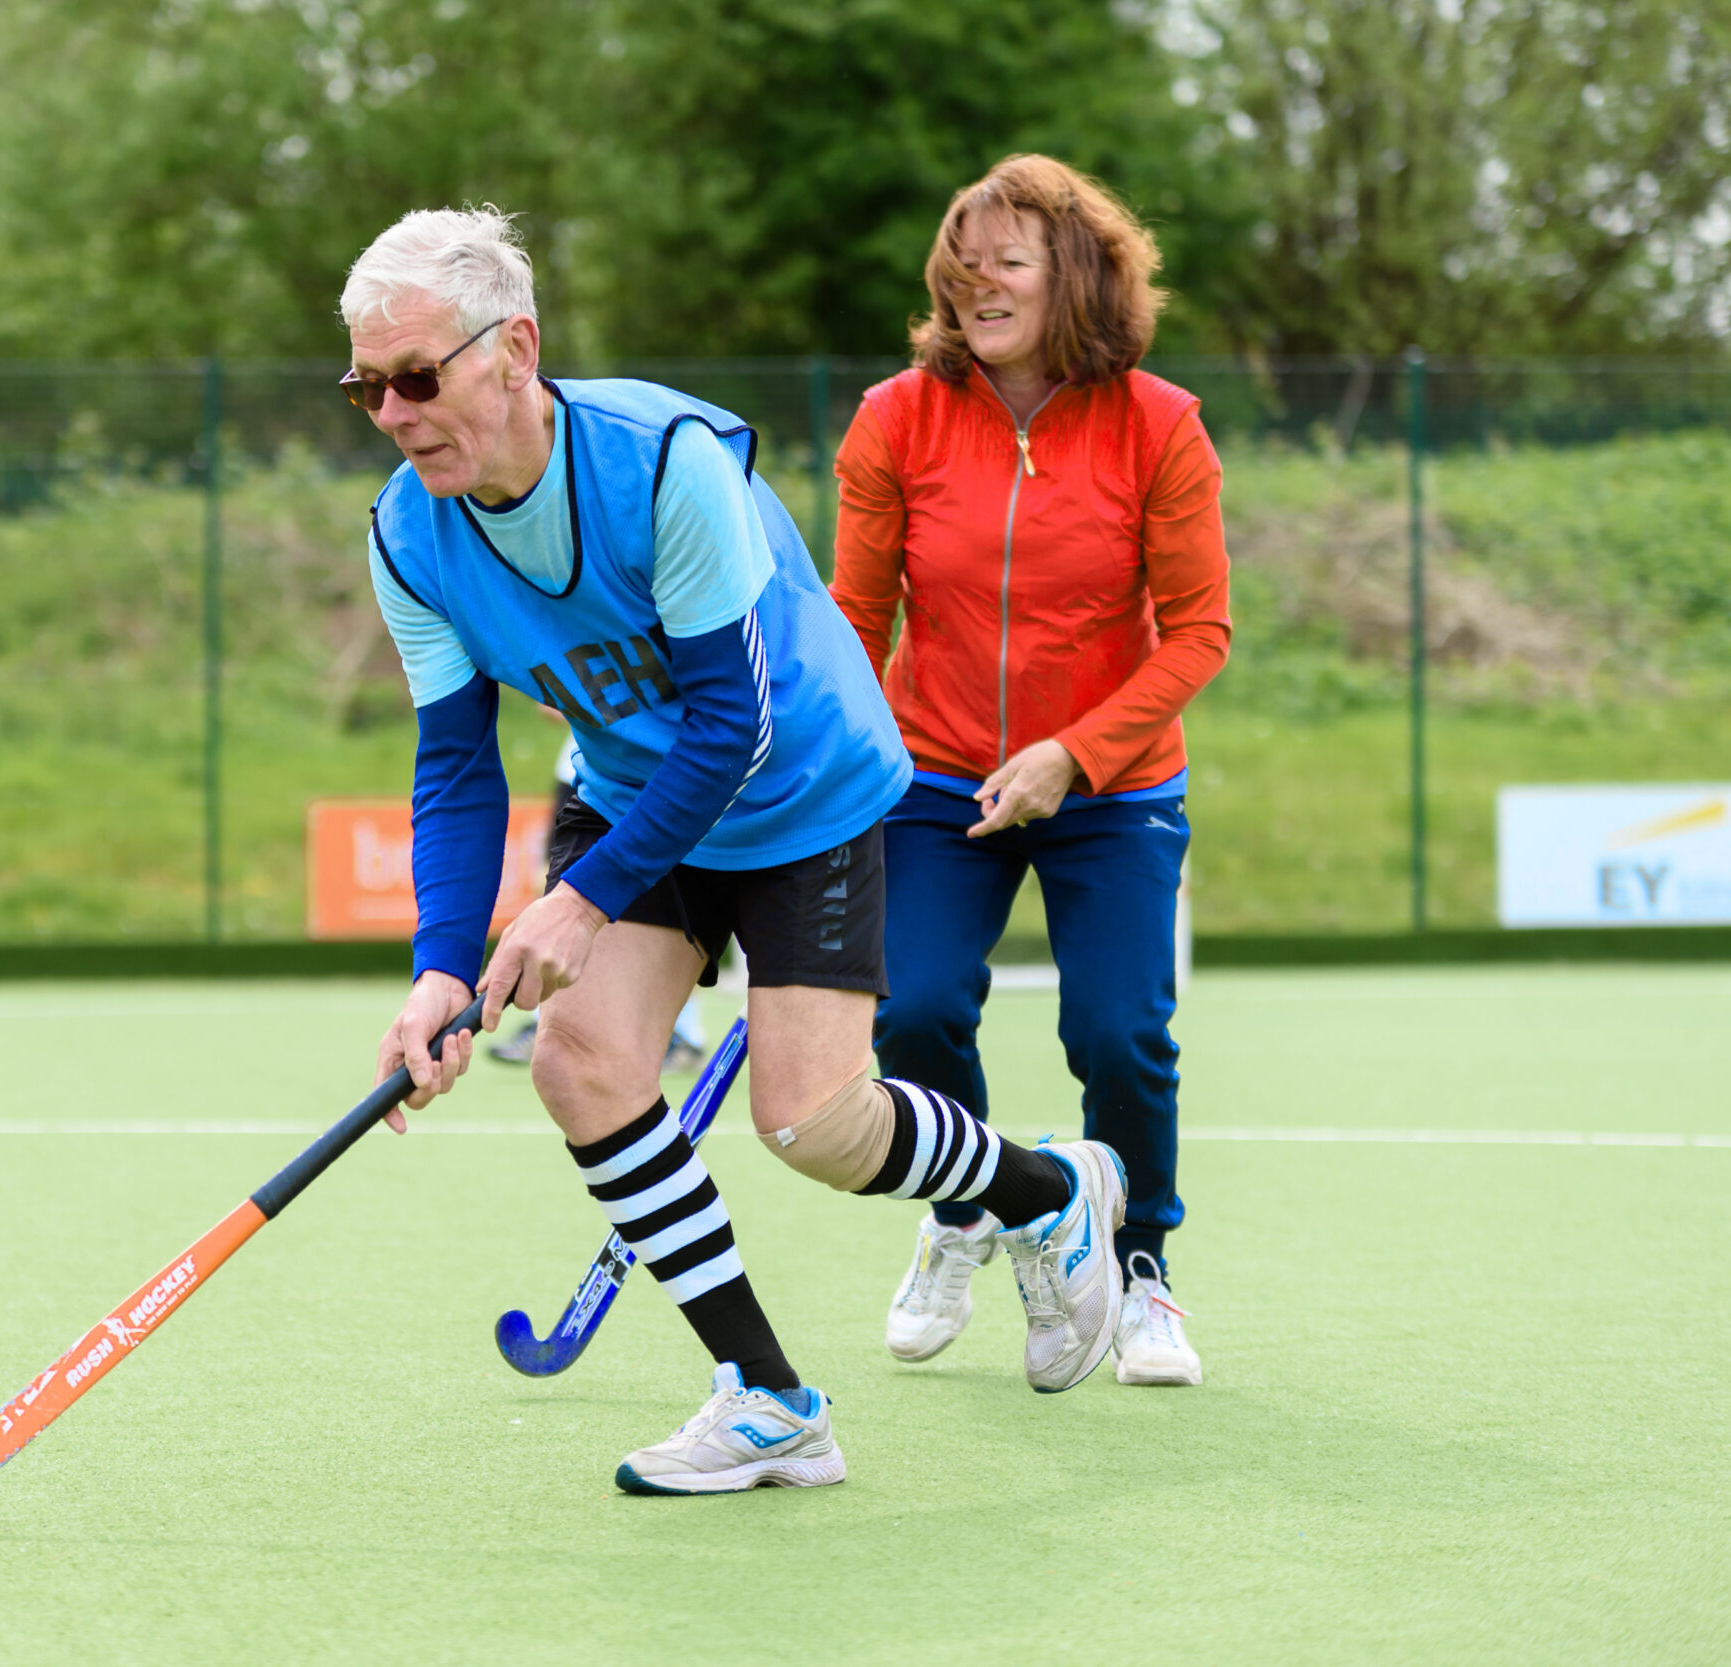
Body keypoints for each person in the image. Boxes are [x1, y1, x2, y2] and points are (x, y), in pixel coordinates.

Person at [346, 205, 1131, 1495]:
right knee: (585, 1065)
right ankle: (770, 1399)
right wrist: (441, 965)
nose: (392, 410)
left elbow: (733, 722)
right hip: (637, 785)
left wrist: (577, 900)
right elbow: (454, 765)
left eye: (417, 376)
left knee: (813, 1122)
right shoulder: (406, 536)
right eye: (367, 386)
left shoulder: (664, 464)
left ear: (513, 349)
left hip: (797, 781)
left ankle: (1046, 1188)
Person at [830, 155, 1229, 1387]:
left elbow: (1200, 631)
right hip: (933, 779)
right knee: (911, 1009)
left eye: (1009, 257)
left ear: (1078, 277)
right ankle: (971, 1206)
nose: (976, 279)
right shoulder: (894, 415)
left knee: (1119, 1030)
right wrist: (846, 754)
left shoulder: (1159, 422)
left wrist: (1075, 752)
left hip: (1111, 786)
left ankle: (1143, 1263)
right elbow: (853, 614)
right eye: (962, 259)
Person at [489, 727, 711, 1072]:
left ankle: (685, 1033)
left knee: (669, 897)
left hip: (648, 769)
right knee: (552, 892)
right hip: (583, 769)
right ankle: (542, 1019)